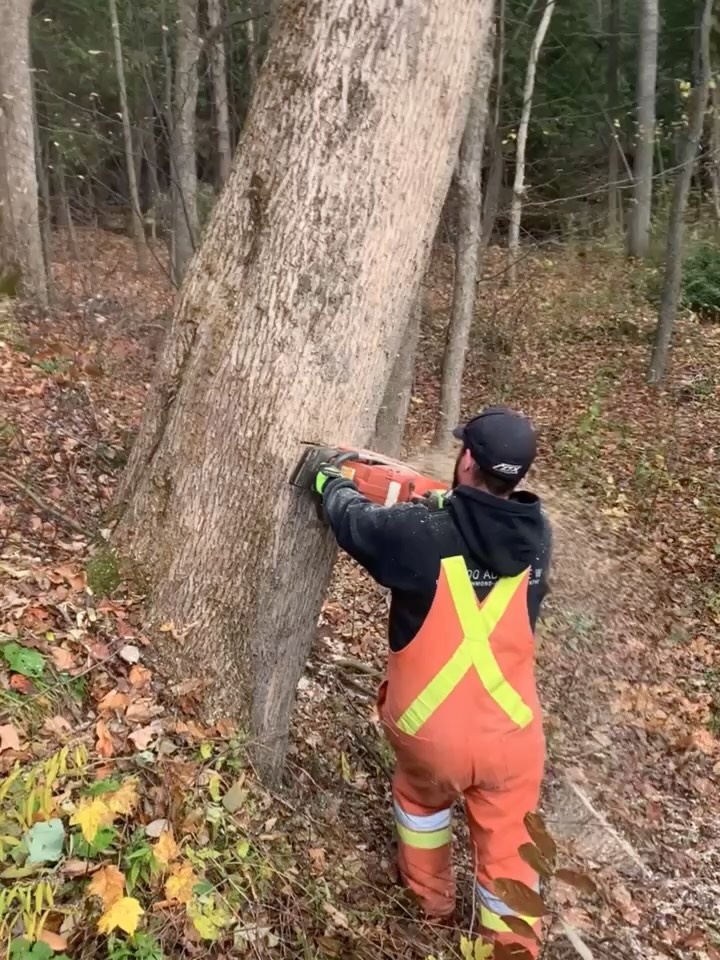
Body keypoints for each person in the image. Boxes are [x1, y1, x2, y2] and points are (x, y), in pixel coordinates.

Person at [314, 406, 551, 956]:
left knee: (421, 803)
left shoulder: (422, 533)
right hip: (512, 738)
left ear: (466, 459)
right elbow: (481, 527)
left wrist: (330, 480)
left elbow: (357, 522)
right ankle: (513, 949)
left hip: (431, 734)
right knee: (512, 848)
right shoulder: (538, 539)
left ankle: (431, 907)